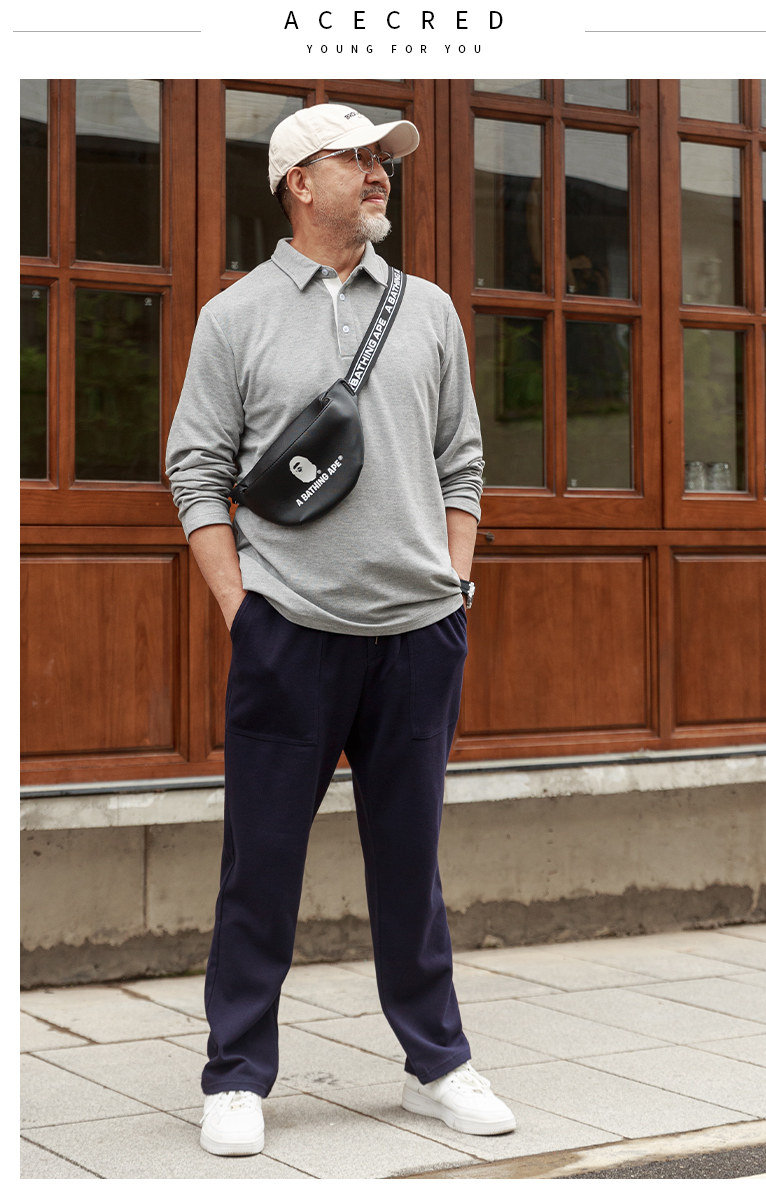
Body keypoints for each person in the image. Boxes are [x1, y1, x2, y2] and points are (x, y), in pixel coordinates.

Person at [165, 102, 516, 1157]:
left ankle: (436, 1063)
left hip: (419, 633)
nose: (377, 174)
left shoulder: (429, 310)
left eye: (382, 160)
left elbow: (462, 461)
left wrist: (454, 583)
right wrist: (243, 609)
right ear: (296, 181)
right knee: (260, 866)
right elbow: (196, 471)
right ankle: (236, 1075)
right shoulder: (234, 316)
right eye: (354, 159)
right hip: (289, 633)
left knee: (411, 866)